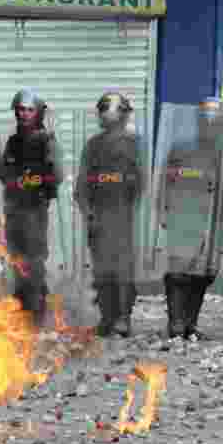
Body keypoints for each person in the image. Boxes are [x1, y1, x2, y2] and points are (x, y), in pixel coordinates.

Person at [75, 93, 145, 337]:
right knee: (102, 269)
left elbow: (142, 182)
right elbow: (82, 185)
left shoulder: (135, 144)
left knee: (123, 269)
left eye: (108, 108)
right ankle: (107, 318)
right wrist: (89, 213)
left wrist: (137, 213)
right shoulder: (93, 145)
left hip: (124, 216)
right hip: (100, 216)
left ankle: (123, 318)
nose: (104, 114)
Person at [0, 88, 62, 326]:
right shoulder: (12, 142)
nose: (24, 114)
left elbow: (56, 175)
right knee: (16, 258)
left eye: (29, 109)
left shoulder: (46, 140)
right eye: (20, 109)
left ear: (38, 113)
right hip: (14, 209)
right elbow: (7, 176)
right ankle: (21, 308)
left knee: (34, 259)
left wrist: (33, 183)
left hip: (34, 208)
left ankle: (37, 311)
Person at [158, 99, 223, 340]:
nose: (210, 126)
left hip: (211, 220)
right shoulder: (181, 148)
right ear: (198, 122)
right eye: (206, 120)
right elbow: (165, 181)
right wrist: (163, 211)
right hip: (183, 215)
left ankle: (189, 323)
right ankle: (176, 323)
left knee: (204, 273)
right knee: (178, 271)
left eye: (215, 121)